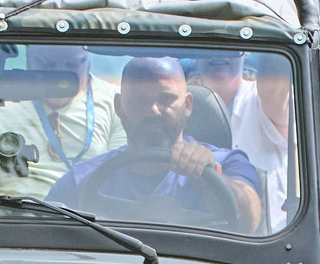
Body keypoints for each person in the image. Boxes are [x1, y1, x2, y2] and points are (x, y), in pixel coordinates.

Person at [52, 59, 264, 232]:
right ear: (118, 106)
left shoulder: (226, 163)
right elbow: (44, 239)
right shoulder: (82, 180)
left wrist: (213, 176)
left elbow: (250, 222)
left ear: (188, 105)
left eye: (166, 99)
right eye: (139, 100)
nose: (152, 110)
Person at [0, 44, 123, 200]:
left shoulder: (117, 102)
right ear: (28, 57)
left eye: (72, 65)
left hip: (89, 225)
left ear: (88, 59)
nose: (59, 74)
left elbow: (122, 181)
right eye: (47, 64)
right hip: (11, 225)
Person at [185, 50, 294, 231]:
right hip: (189, 232)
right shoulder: (171, 105)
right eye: (209, 43)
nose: (218, 53)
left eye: (229, 43)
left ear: (247, 51)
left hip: (266, 240)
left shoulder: (261, 98)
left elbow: (275, 84)